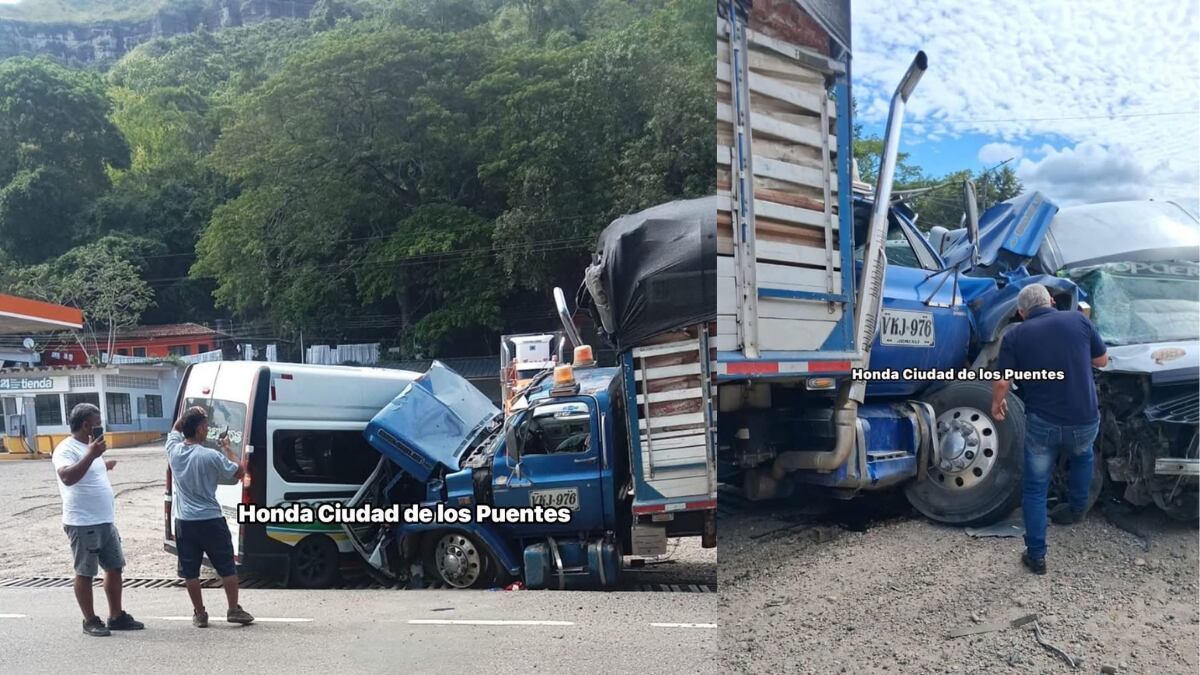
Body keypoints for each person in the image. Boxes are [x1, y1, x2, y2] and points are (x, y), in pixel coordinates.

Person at [991, 284, 1108, 575]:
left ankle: (1037, 556)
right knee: (1083, 457)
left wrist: (997, 405)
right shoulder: (1078, 320)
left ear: (1021, 312)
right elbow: (1101, 361)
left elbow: (1003, 381)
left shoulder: (1015, 335)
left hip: (1043, 423)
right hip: (1084, 419)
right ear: (1052, 301)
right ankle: (1078, 507)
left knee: (1035, 488)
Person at [53, 403, 144, 636]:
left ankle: (116, 616)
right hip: (83, 522)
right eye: (97, 422)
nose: (100, 426)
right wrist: (92, 454)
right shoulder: (67, 449)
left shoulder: (91, 448)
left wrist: (103, 463)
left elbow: (89, 471)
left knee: (115, 567)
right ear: (86, 425)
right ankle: (90, 620)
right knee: (85, 572)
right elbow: (67, 476)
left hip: (105, 520)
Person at [166, 406, 254, 626]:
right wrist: (227, 449)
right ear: (198, 430)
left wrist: (189, 414)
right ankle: (233, 609)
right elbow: (240, 471)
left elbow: (176, 429)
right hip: (210, 519)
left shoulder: (173, 450)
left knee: (190, 571)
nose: (207, 429)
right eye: (205, 425)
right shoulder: (211, 456)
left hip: (184, 521)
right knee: (226, 566)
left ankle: (200, 613)